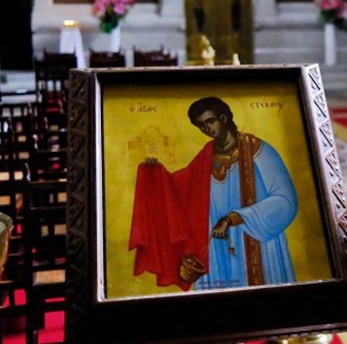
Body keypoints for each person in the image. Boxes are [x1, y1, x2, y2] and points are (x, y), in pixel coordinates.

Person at [128, 97, 298, 290]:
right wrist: (154, 174)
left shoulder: (258, 150)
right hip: (216, 244)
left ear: (223, 118)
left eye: (210, 121)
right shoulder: (207, 154)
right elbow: (179, 189)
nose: (207, 128)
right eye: (201, 125)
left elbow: (286, 200)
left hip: (255, 236)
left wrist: (234, 218)